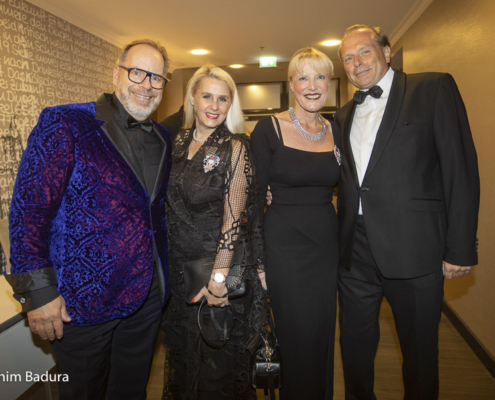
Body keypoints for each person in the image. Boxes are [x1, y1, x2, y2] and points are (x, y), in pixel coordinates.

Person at [5, 39, 173, 400]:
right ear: (116, 74)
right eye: (137, 73)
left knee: (131, 392)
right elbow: (29, 211)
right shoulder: (65, 122)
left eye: (156, 78)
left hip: (146, 299)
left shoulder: (163, 138)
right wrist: (39, 292)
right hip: (80, 303)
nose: (147, 85)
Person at [335, 24, 480, 400]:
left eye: (364, 52)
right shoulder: (343, 113)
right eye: (348, 58)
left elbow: (460, 169)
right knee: (354, 351)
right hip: (355, 253)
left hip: (415, 248)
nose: (356, 62)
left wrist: (460, 247)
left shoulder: (432, 88)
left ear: (386, 51)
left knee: (419, 355)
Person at [161, 64, 267, 400]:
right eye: (207, 96)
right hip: (178, 272)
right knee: (184, 362)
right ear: (192, 97)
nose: (214, 105)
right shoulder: (176, 141)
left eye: (223, 99)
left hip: (215, 270)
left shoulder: (234, 146)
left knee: (215, 370)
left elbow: (233, 219)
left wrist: (218, 279)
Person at [251, 47, 340, 400]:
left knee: (321, 332)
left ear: (330, 83)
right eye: (303, 77)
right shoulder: (269, 128)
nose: (312, 86)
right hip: (284, 246)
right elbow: (253, 200)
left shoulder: (337, 129)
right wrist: (258, 261)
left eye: (320, 77)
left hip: (326, 247)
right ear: (291, 84)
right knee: (294, 334)